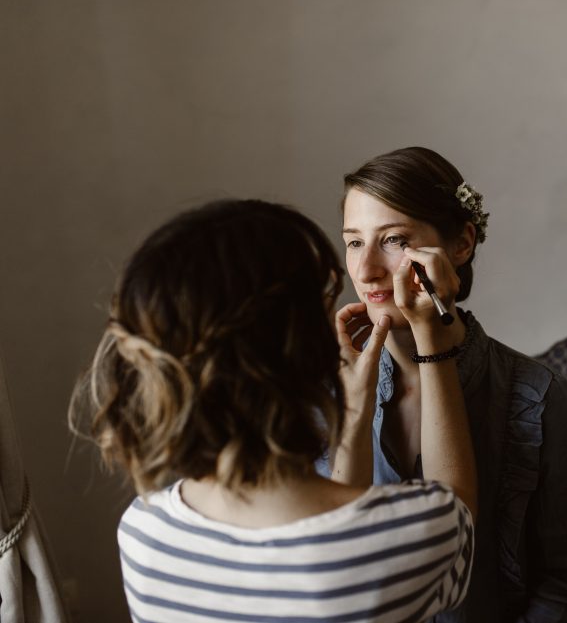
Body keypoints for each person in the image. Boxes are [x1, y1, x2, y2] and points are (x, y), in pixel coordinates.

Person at [69, 199, 476, 623]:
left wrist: (353, 415)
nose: (366, 269)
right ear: (306, 348)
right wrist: (434, 341)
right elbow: (459, 510)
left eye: (391, 239)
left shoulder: (143, 530)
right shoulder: (408, 535)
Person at [337, 147, 567, 622]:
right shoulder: (327, 391)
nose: (365, 269)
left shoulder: (537, 399)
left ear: (461, 245)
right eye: (354, 242)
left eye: (393, 239)